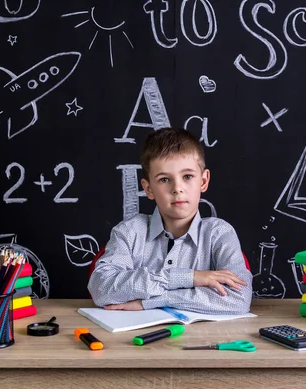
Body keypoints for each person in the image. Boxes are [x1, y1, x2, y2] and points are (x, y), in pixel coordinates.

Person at [88, 127, 252, 314]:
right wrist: (189, 278)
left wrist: (153, 301)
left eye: (188, 176)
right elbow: (101, 288)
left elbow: (239, 299)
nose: (177, 188)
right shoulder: (129, 232)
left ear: (203, 181)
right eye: (165, 179)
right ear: (148, 188)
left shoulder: (219, 233)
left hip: (203, 339)